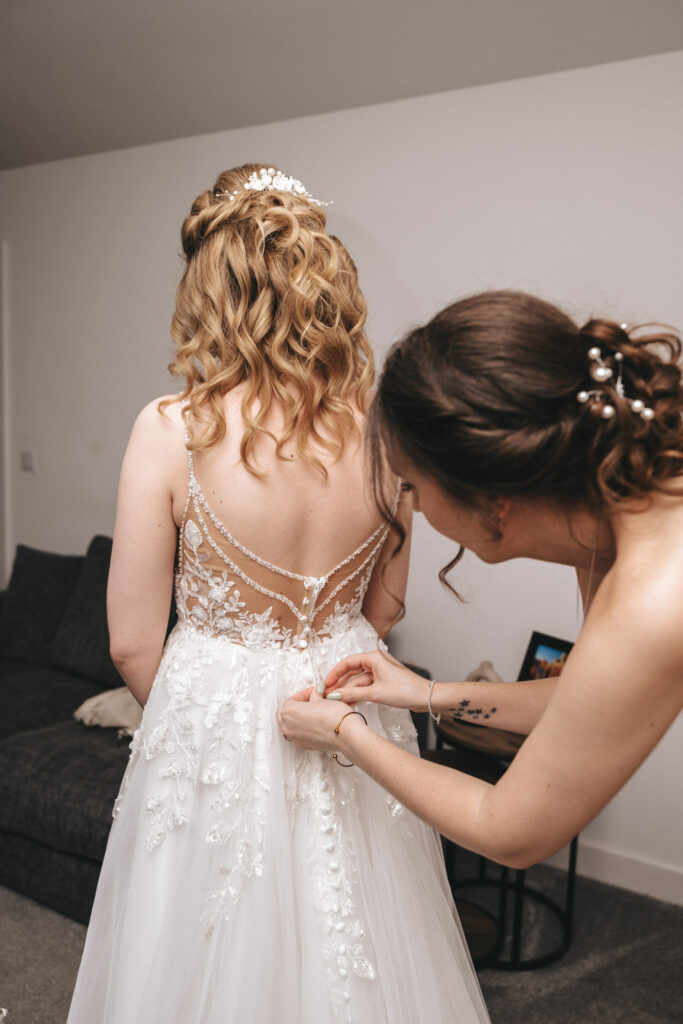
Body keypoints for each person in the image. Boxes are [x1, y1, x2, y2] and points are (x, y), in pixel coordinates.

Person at [66, 165, 491, 1024]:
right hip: (349, 690)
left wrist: (204, 720)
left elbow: (131, 644)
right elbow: (383, 611)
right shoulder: (383, 432)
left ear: (209, 292)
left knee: (198, 949)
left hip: (212, 713)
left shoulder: (172, 430)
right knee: (365, 927)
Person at [278, 289, 683, 871]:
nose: (409, 508)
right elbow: (584, 698)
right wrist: (427, 694)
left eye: (412, 485)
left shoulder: (650, 598)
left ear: (495, 502)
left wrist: (346, 732)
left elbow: (510, 831)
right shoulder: (611, 501)